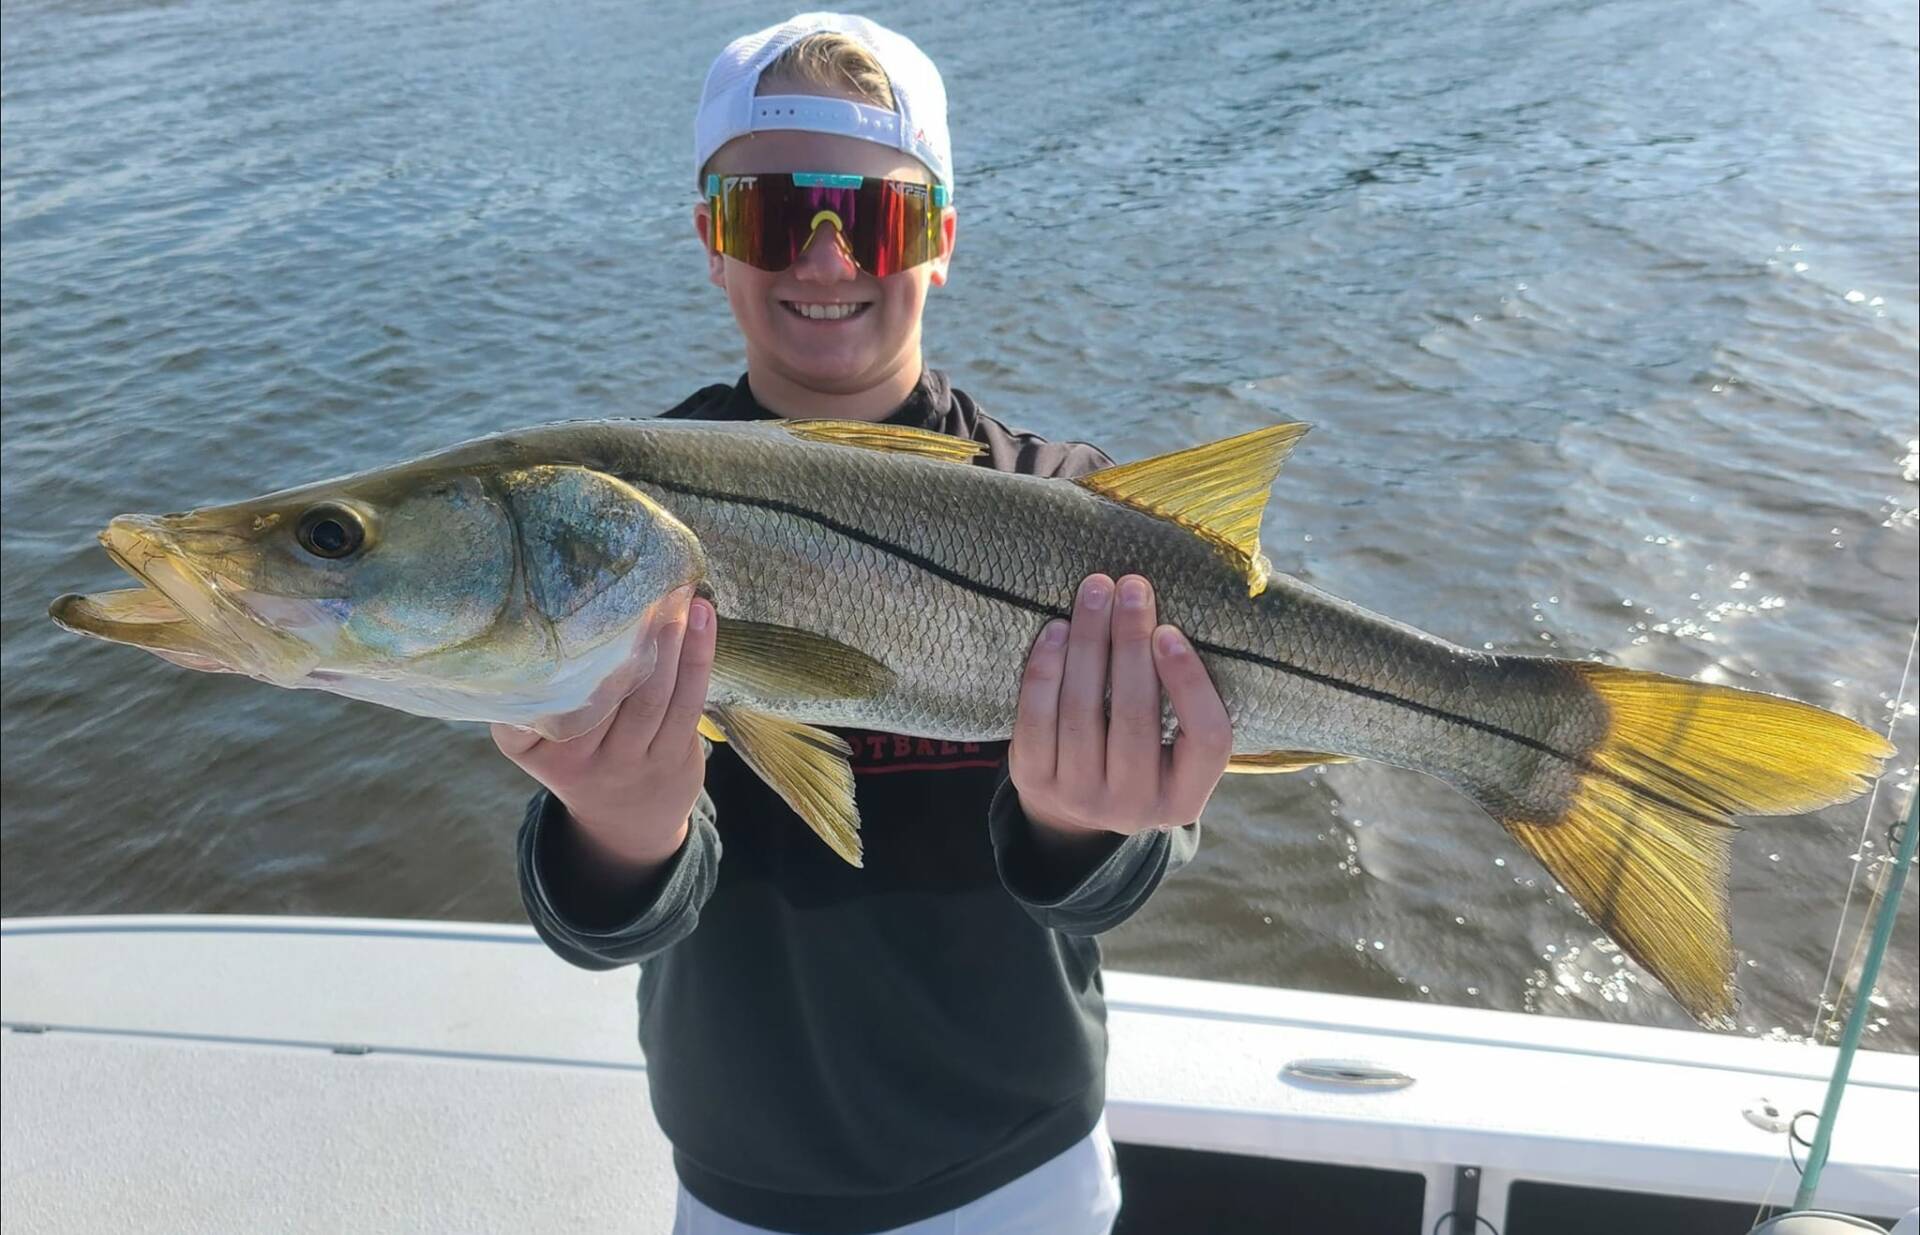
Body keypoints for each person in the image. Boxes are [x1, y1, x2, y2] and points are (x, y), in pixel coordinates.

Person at [493, 13, 1234, 1234]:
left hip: (1025, 1164)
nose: (829, 262)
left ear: (938, 240)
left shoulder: (1077, 512)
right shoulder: (616, 519)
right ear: (711, 243)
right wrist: (622, 830)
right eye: (774, 216)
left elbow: (1118, 880)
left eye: (875, 218)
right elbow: (603, 920)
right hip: (742, 1179)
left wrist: (1079, 825)